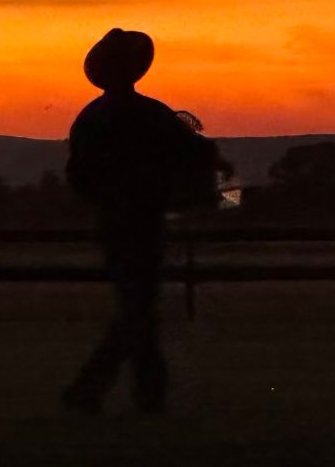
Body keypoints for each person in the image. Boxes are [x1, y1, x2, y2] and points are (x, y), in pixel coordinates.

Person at [62, 27, 219, 415]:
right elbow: (200, 156)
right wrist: (221, 198)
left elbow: (78, 177)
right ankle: (118, 392)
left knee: (137, 311)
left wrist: (108, 202)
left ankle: (122, 393)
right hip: (143, 223)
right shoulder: (152, 114)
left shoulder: (91, 117)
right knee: (139, 312)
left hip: (112, 225)